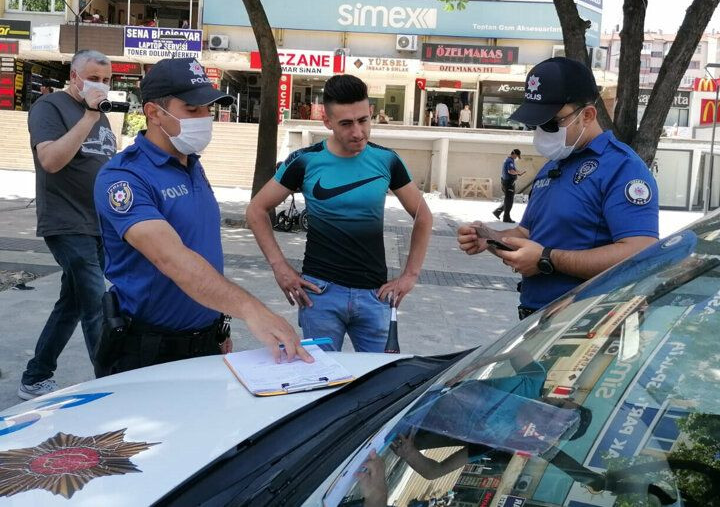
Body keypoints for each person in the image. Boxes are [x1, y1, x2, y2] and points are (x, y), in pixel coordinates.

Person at [93, 57, 310, 374]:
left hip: (206, 341)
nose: (205, 119)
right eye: (193, 110)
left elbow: (202, 249)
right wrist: (252, 310)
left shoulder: (191, 164)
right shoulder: (123, 179)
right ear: (154, 113)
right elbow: (173, 260)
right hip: (147, 350)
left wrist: (218, 324)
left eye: (208, 109)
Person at [457, 57, 659, 320]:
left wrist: (547, 259)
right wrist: (489, 238)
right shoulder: (555, 165)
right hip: (537, 319)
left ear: (587, 115)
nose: (542, 131)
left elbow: (640, 251)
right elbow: (527, 232)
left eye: (551, 123)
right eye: (535, 124)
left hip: (588, 325)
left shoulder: (622, 168)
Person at [246, 74, 432, 352]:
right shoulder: (305, 161)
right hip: (319, 295)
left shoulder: (387, 160)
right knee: (320, 381)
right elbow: (256, 210)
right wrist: (280, 268)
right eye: (346, 124)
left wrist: (410, 275)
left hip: (374, 295)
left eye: (363, 120)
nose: (357, 132)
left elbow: (424, 216)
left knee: (379, 383)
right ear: (327, 122)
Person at [18, 50, 118, 400]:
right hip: (65, 220)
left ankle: (36, 376)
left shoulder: (100, 116)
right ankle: (110, 381)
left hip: (98, 223)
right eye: (93, 77)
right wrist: (90, 116)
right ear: (74, 76)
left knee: (72, 303)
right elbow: (50, 160)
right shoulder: (51, 108)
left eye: (106, 80)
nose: (100, 85)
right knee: (95, 300)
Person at [492, 148, 525, 223]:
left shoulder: (509, 160)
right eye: (516, 156)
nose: (516, 158)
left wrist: (519, 172)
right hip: (508, 183)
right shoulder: (509, 160)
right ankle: (506, 218)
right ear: (514, 154)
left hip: (506, 182)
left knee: (508, 199)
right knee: (509, 200)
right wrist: (517, 173)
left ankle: (497, 212)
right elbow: (510, 171)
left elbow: (513, 169)